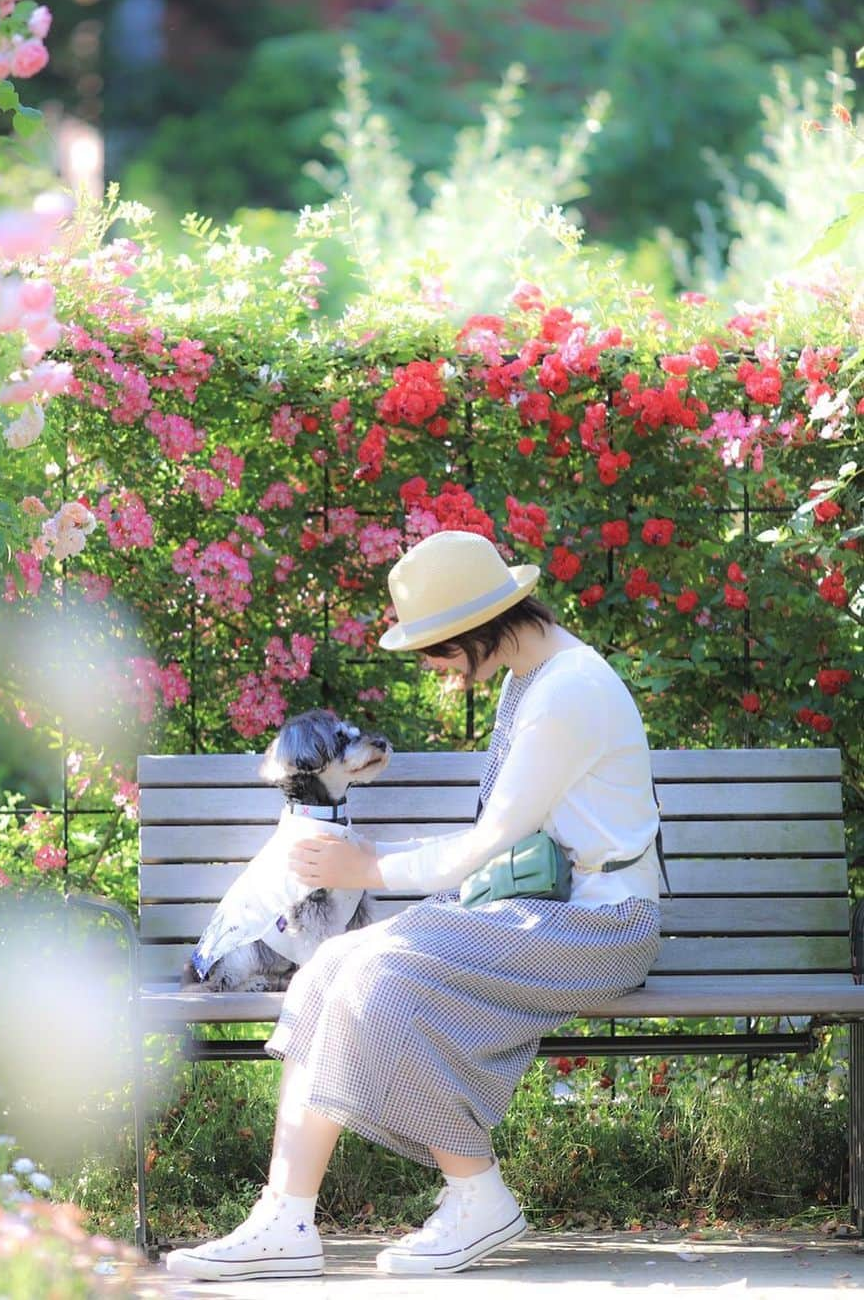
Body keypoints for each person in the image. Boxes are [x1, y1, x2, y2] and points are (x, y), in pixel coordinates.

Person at [165, 528, 663, 1281]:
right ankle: (285, 1219)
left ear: (475, 627)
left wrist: (368, 866)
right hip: (535, 913)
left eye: (434, 649)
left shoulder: (569, 690)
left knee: (382, 982)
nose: (433, 667)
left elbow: (492, 840)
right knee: (331, 963)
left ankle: (478, 1195)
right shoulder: (533, 677)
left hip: (601, 924)